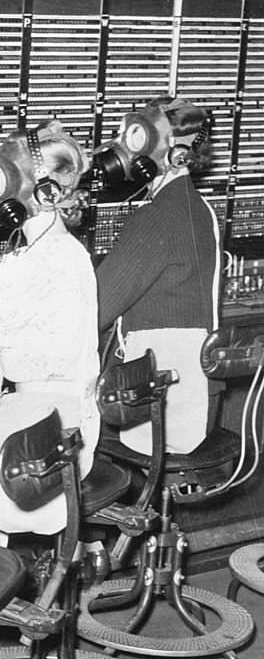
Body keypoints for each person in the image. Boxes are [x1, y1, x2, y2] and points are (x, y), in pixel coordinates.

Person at [0, 120, 99, 545]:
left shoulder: (26, 265)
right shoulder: (68, 249)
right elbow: (11, 279)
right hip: (71, 424)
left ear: (41, 192)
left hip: (35, 440)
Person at [93, 96, 220, 455]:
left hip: (156, 409)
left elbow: (95, 309)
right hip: (191, 396)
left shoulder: (156, 217)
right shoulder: (198, 208)